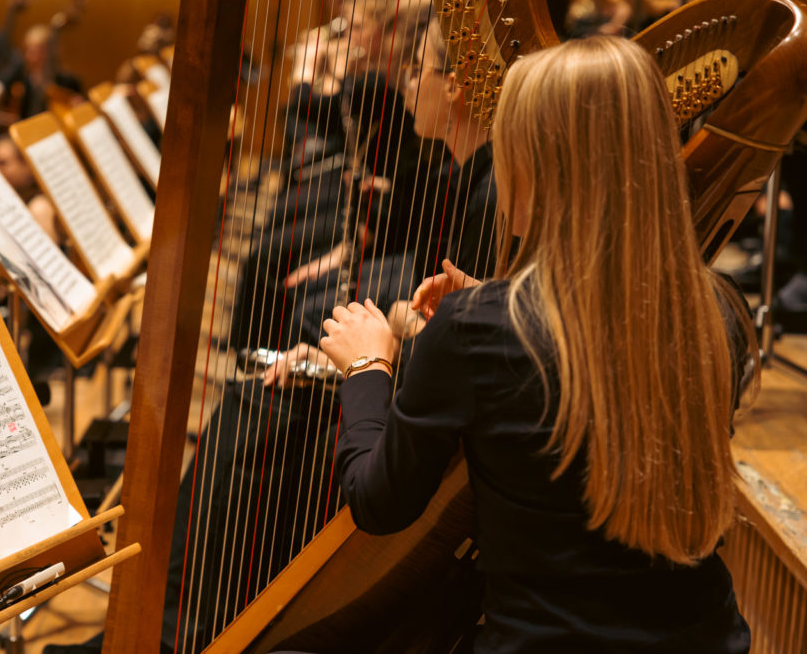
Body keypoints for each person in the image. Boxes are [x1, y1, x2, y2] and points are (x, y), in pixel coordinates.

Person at [319, 35, 758, 652]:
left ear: (539, 165)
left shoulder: (477, 330)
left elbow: (378, 504)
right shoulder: (717, 309)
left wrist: (367, 364)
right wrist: (496, 308)